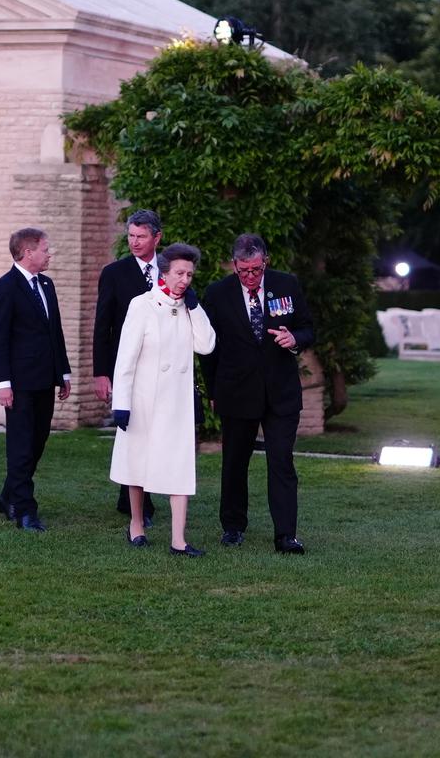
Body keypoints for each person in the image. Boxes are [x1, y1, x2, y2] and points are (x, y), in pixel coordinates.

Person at [200, 233, 314, 553]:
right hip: (236, 392)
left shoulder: (286, 285)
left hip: (281, 392)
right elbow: (209, 349)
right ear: (234, 265)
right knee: (235, 462)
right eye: (244, 270)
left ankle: (285, 534)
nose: (251, 276)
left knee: (281, 461)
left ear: (266, 261)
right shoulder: (218, 293)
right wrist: (213, 390)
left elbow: (308, 327)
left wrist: (296, 339)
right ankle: (233, 527)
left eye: (256, 269)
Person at [110, 243, 216, 555]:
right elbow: (126, 358)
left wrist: (195, 309)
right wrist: (122, 403)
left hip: (177, 404)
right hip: (144, 400)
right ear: (165, 273)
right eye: (180, 273)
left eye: (190, 274)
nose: (185, 280)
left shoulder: (189, 308)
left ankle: (178, 540)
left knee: (180, 467)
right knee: (137, 464)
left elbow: (207, 345)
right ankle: (136, 525)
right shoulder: (142, 305)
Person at [0, 227, 71, 532]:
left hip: (45, 379)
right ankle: (24, 510)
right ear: (27, 252)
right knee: (21, 446)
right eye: (46, 249)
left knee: (37, 442)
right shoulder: (5, 287)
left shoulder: (47, 285)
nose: (50, 254)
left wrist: (63, 373)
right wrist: (3, 384)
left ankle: (8, 495)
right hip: (19, 383)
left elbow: (55, 332)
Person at [93, 208, 164, 523]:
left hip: (162, 367)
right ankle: (137, 503)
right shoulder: (114, 273)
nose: (134, 242)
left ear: (156, 238)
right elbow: (102, 326)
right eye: (131, 236)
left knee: (155, 433)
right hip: (127, 367)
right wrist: (101, 373)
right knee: (133, 431)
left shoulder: (171, 270)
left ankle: (137, 496)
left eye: (141, 236)